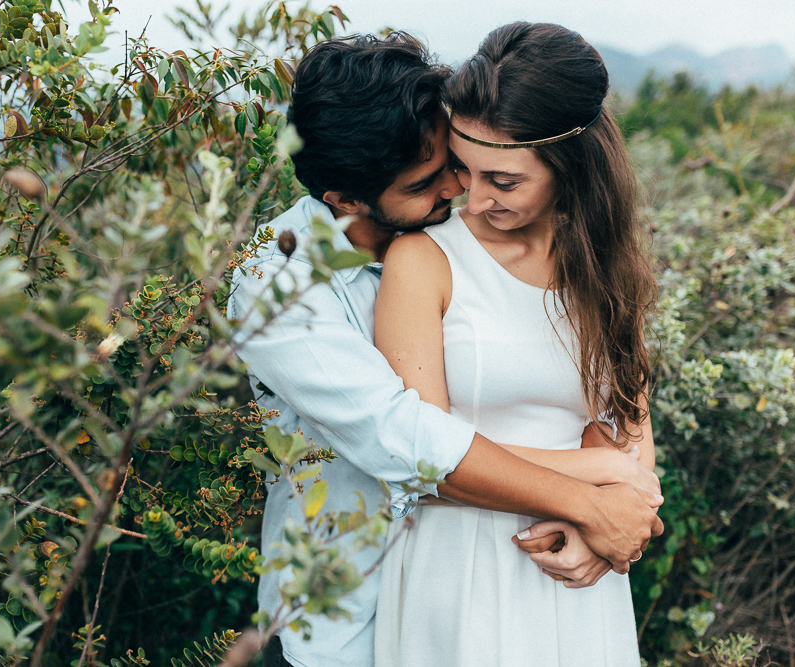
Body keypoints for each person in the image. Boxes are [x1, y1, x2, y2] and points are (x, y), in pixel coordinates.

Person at [227, 32, 662, 667]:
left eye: (457, 163)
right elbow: (405, 438)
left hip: (553, 574)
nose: (460, 190)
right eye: (430, 180)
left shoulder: (535, 246)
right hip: (351, 615)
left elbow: (616, 410)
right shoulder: (279, 284)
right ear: (345, 200)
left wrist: (615, 514)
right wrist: (602, 495)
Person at [372, 22, 659, 667]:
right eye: (461, 170)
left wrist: (606, 535)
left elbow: (633, 437)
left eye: (502, 181)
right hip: (460, 569)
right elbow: (420, 455)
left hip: (579, 571)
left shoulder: (605, 266)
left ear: (571, 167)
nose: (471, 201)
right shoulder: (424, 260)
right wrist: (597, 482)